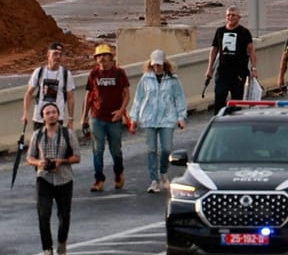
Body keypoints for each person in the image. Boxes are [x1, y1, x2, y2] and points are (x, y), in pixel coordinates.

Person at [127, 50, 186, 193]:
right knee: (151, 150)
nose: (157, 68)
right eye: (154, 65)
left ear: (164, 64)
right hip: (149, 119)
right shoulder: (145, 79)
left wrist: (181, 117)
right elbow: (138, 99)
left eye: (159, 65)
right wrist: (133, 118)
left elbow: (179, 98)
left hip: (167, 118)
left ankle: (163, 173)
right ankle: (154, 180)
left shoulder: (173, 80)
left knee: (166, 148)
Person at [26, 103, 79, 255]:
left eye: (54, 112)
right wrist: (39, 163)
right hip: (44, 179)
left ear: (58, 115)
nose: (51, 115)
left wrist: (61, 161)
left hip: (64, 179)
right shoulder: (37, 135)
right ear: (43, 117)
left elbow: (77, 157)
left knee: (64, 215)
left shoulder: (67, 134)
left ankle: (62, 242)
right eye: (48, 113)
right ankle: (47, 250)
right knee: (43, 214)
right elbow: (29, 157)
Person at [82, 45, 129, 193]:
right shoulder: (93, 74)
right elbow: (89, 96)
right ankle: (99, 179)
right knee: (98, 149)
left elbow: (126, 93)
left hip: (114, 118)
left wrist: (121, 111)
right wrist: (84, 117)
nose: (101, 58)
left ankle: (118, 173)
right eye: (98, 56)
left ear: (110, 57)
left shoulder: (119, 73)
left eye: (104, 55)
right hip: (97, 117)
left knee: (115, 149)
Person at [206, 8, 257, 112]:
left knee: (237, 100)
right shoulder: (220, 31)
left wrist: (254, 68)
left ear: (239, 17)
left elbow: (251, 50)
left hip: (239, 73)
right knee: (220, 96)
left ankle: (235, 121)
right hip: (223, 72)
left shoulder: (244, 32)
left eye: (233, 15)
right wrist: (209, 69)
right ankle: (220, 120)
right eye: (228, 15)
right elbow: (214, 50)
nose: (230, 17)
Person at [21, 43, 78, 134]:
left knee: (55, 145)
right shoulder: (39, 72)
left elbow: (70, 97)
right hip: (39, 118)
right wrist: (25, 113)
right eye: (55, 53)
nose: (58, 56)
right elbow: (29, 93)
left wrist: (70, 119)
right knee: (39, 145)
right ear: (48, 54)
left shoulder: (66, 74)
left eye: (60, 54)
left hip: (57, 118)